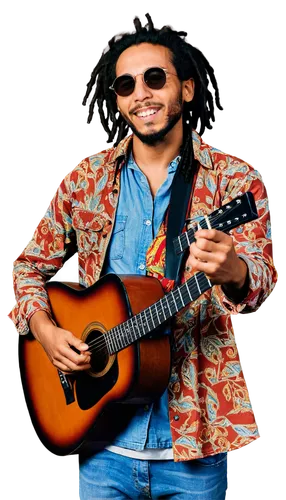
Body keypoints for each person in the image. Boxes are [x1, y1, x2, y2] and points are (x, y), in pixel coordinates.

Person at [8, 18, 278, 500]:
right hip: (99, 444)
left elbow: (263, 279)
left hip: (195, 445)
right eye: (126, 84)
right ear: (117, 99)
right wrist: (46, 332)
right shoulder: (83, 179)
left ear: (187, 89)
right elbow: (27, 265)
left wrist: (236, 272)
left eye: (156, 78)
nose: (142, 94)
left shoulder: (235, 179)